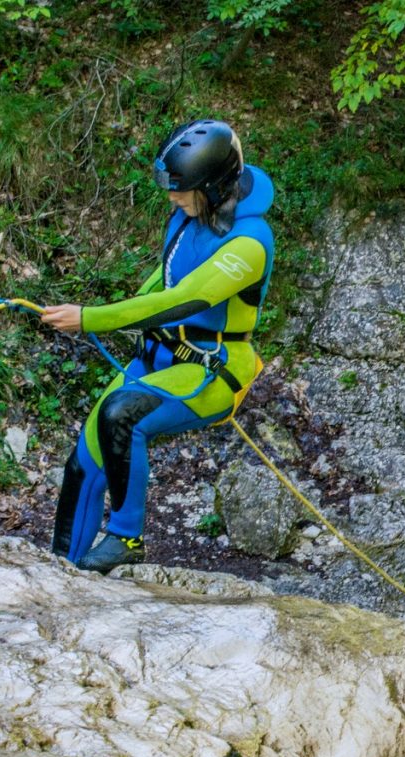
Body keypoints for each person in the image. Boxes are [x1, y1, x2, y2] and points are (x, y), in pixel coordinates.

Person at [41, 119, 274, 573]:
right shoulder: (192, 215)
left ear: (211, 185)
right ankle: (60, 572)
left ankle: (127, 538)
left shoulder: (250, 244)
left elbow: (182, 300)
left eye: (180, 189)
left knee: (122, 415)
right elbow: (161, 282)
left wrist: (88, 318)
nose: (171, 197)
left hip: (211, 370)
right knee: (84, 463)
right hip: (160, 358)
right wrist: (95, 313)